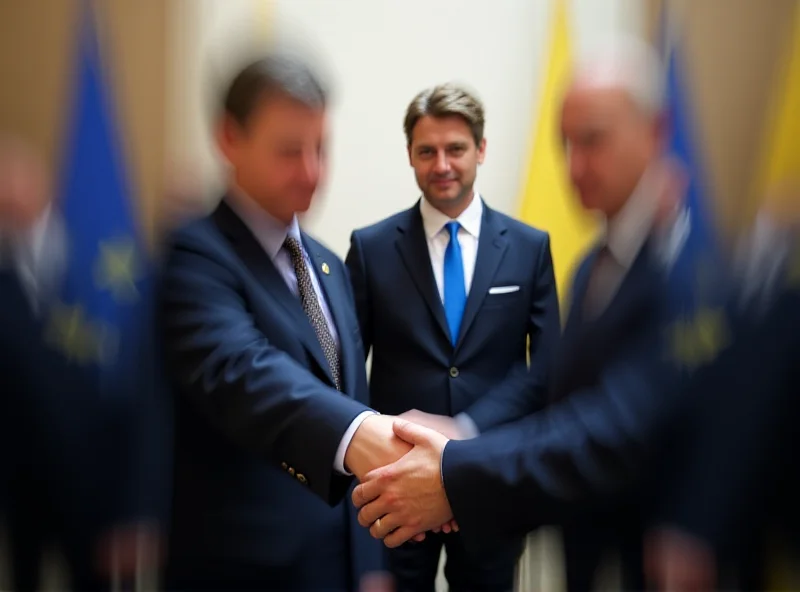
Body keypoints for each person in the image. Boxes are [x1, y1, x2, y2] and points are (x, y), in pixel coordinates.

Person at [352, 37, 715, 592]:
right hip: (409, 488)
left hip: (569, 524)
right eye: (566, 144)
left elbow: (581, 405)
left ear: (482, 150)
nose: (575, 166)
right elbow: (556, 385)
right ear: (409, 156)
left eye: (593, 140)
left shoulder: (671, 261)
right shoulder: (595, 262)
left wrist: (458, 459)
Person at [159, 52, 415, 591]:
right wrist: (374, 440)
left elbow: (351, 394)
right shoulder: (194, 257)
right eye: (288, 150)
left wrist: (369, 566)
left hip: (337, 568)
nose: (311, 172)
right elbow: (246, 372)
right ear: (230, 138)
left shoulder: (327, 263)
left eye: (320, 148)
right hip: (245, 571)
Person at [345, 83, 559, 592]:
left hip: (490, 472)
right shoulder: (371, 248)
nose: (442, 164)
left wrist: (465, 426)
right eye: (427, 151)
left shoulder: (529, 248)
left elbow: (548, 367)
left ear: (480, 150)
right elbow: (347, 368)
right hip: (393, 479)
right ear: (411, 157)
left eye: (455, 149)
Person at [0, 135, 163, 591]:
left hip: (98, 481)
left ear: (44, 185)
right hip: (23, 484)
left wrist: (138, 503)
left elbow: (138, 384)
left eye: (16, 181)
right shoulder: (5, 270)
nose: (8, 195)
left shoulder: (97, 253)